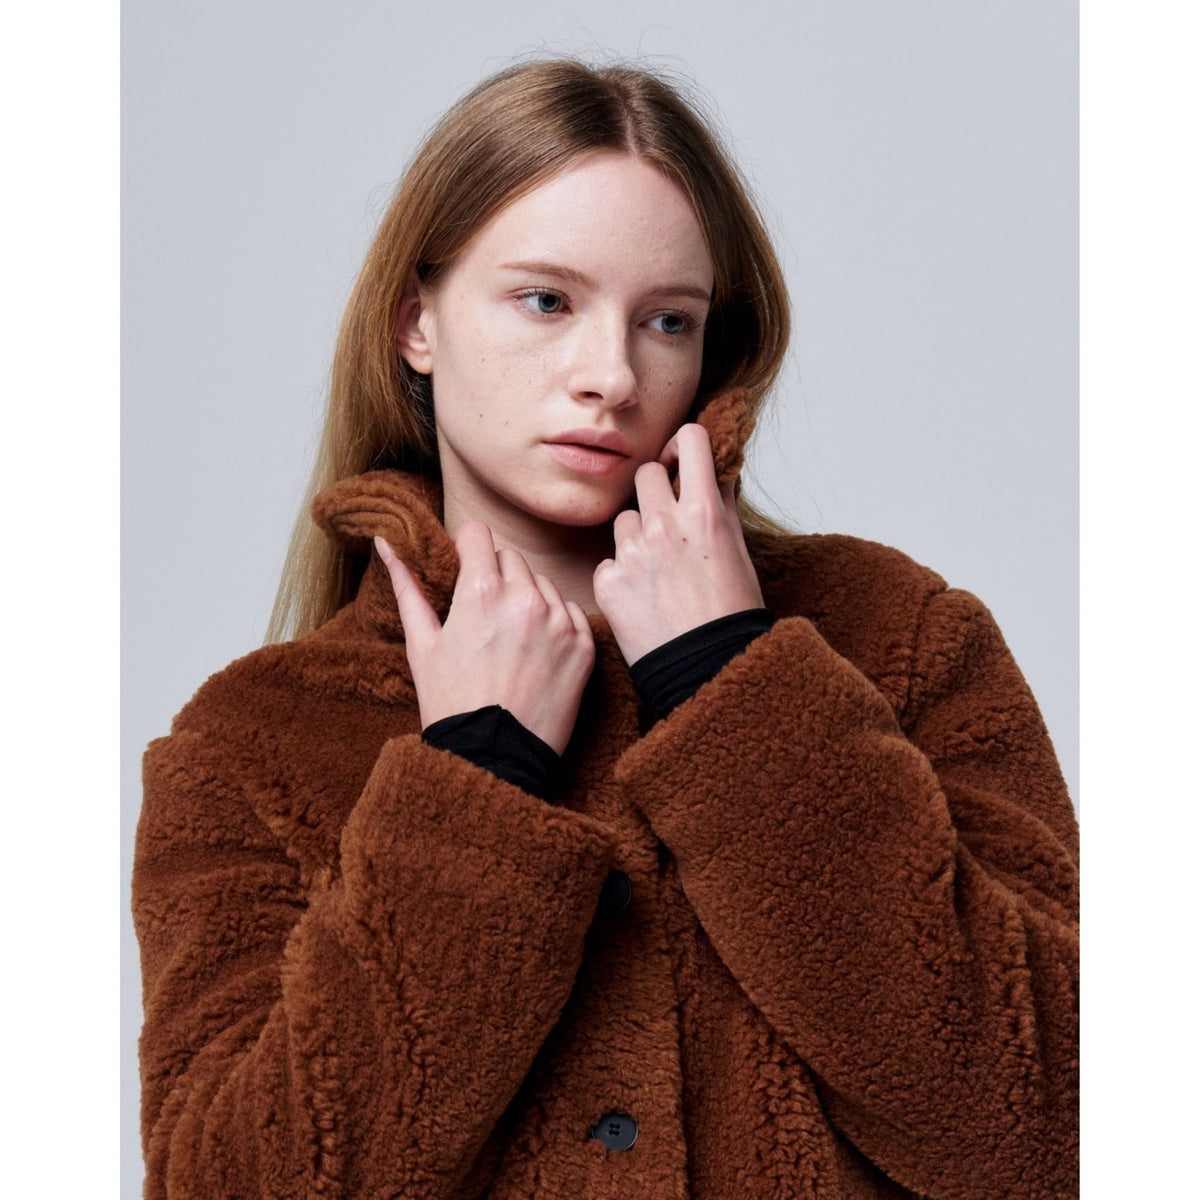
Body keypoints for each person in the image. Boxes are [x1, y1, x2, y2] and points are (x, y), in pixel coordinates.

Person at [133, 58, 1079, 1200]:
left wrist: (732, 684)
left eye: (665, 320)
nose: (612, 375)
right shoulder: (251, 745)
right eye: (547, 301)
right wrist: (472, 785)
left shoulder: (900, 639)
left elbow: (1057, 1138)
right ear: (416, 321)